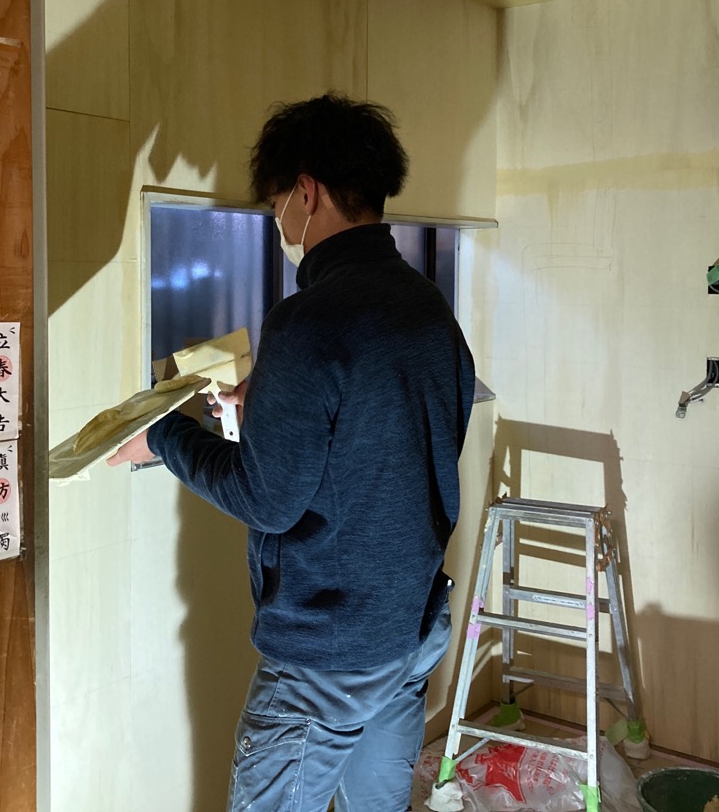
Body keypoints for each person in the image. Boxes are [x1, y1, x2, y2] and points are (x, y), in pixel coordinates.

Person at [108, 92, 476, 812]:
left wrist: (163, 436)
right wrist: (277, 408)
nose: (280, 224)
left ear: (307, 193)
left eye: (278, 205)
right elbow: (394, 442)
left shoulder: (307, 322)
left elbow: (266, 499)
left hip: (327, 659)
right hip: (410, 628)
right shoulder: (428, 308)